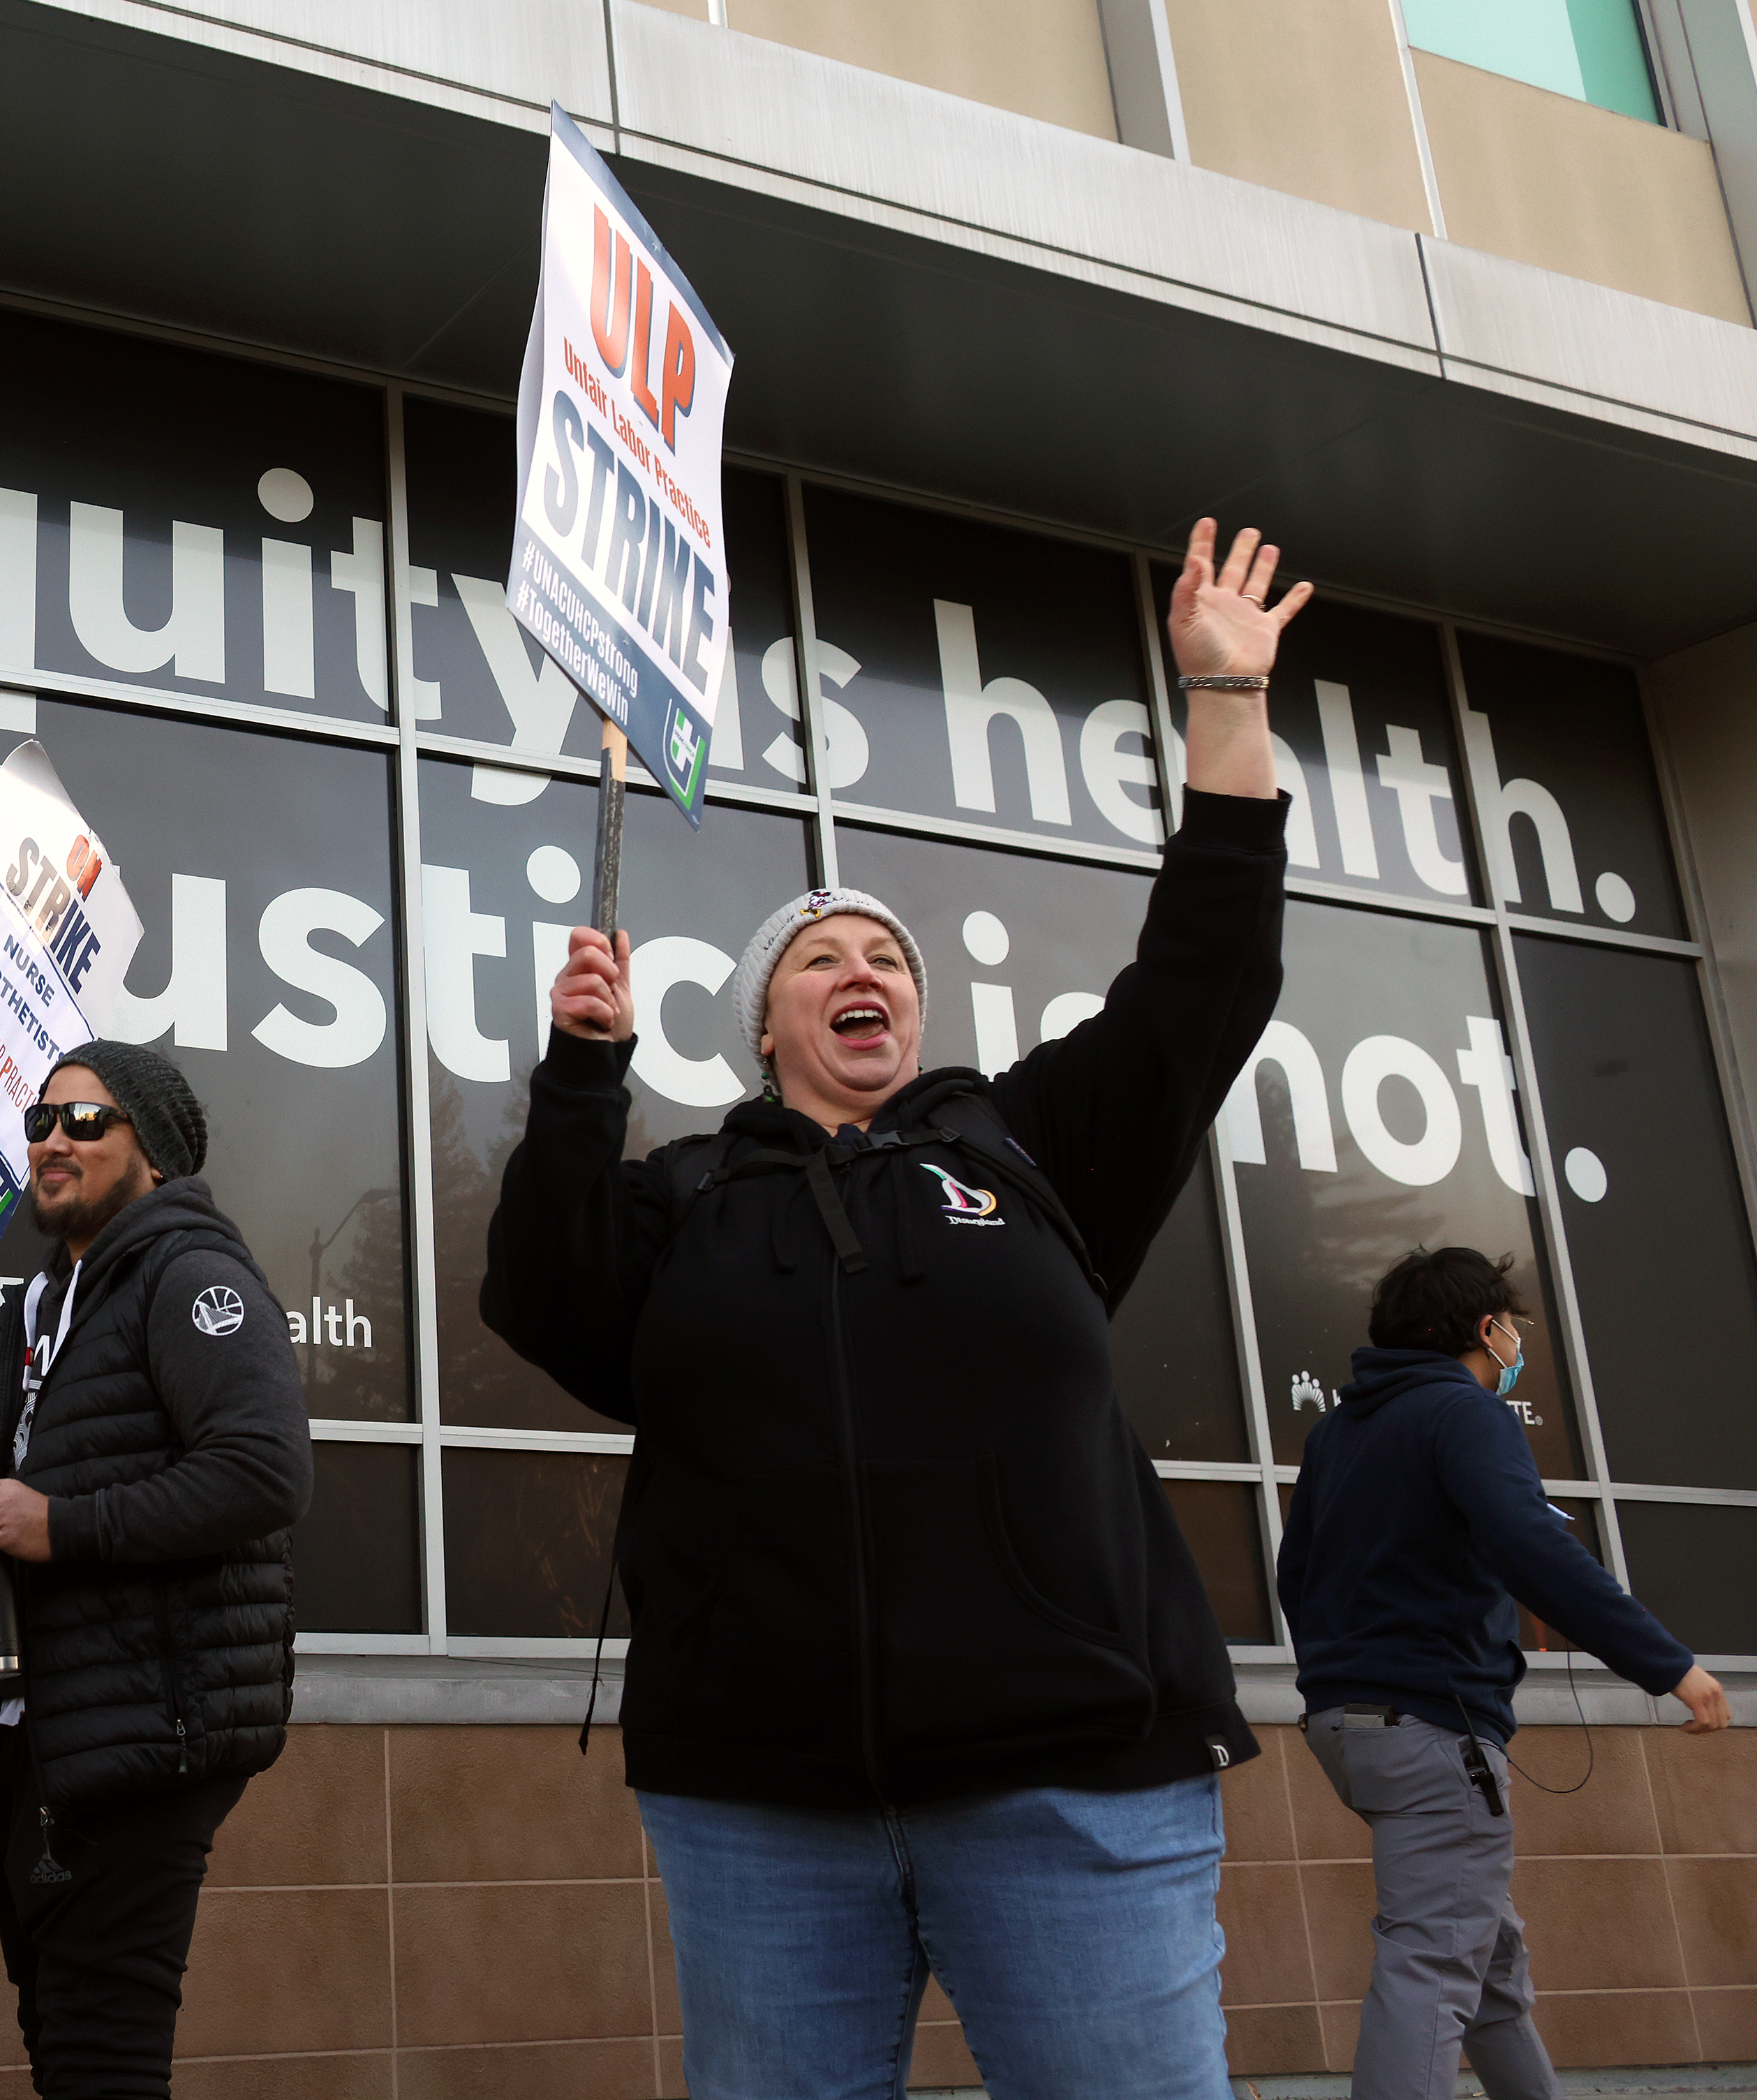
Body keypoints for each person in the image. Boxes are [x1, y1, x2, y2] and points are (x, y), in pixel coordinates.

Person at [480, 519, 1314, 2100]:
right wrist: (583, 1076)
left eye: (883, 956)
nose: (859, 970)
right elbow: (544, 1294)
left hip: (1068, 1789)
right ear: (766, 1022)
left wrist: (1220, 699)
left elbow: (1206, 975)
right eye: (820, 958)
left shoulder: (1033, 1141)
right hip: (760, 1811)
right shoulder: (687, 1198)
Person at [0, 1041, 311, 2100]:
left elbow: (264, 1471)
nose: (51, 1139)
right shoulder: (46, 1303)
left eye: (85, 1122)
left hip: (145, 1740)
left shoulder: (192, 1275)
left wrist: (59, 1523)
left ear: (154, 1151)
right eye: (41, 1120)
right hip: (38, 1741)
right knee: (68, 2053)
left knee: (101, 2065)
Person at [1280, 1245, 1733, 2100]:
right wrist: (1667, 1664)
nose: (1516, 1339)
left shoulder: (1335, 1431)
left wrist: (1339, 1677)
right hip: (1432, 1731)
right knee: (1432, 1965)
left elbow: (1294, 1575)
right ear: (1485, 1328)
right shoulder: (1464, 1412)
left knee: (1485, 1962)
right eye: (1511, 1324)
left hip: (1348, 1727)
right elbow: (1528, 1545)